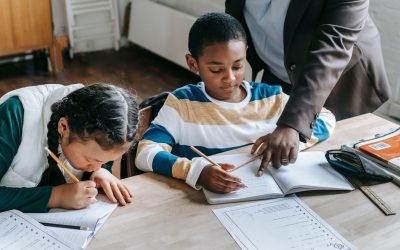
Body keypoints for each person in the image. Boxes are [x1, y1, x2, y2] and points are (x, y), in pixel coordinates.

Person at [135, 12, 336, 193]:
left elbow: (326, 118)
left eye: (238, 66)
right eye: (216, 70)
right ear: (193, 64)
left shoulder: (270, 97)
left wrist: (291, 137)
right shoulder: (182, 104)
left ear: (246, 53)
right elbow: (146, 152)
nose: (230, 78)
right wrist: (197, 172)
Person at [225, 0, 391, 172]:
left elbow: (332, 50)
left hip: (337, 83)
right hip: (275, 71)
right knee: (270, 159)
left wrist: (293, 124)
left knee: (334, 166)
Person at [0, 83, 139, 212]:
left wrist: (100, 173)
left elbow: (99, 160)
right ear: (63, 127)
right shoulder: (14, 114)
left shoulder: (103, 129)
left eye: (104, 161)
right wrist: (55, 197)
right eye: (91, 159)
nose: (97, 166)